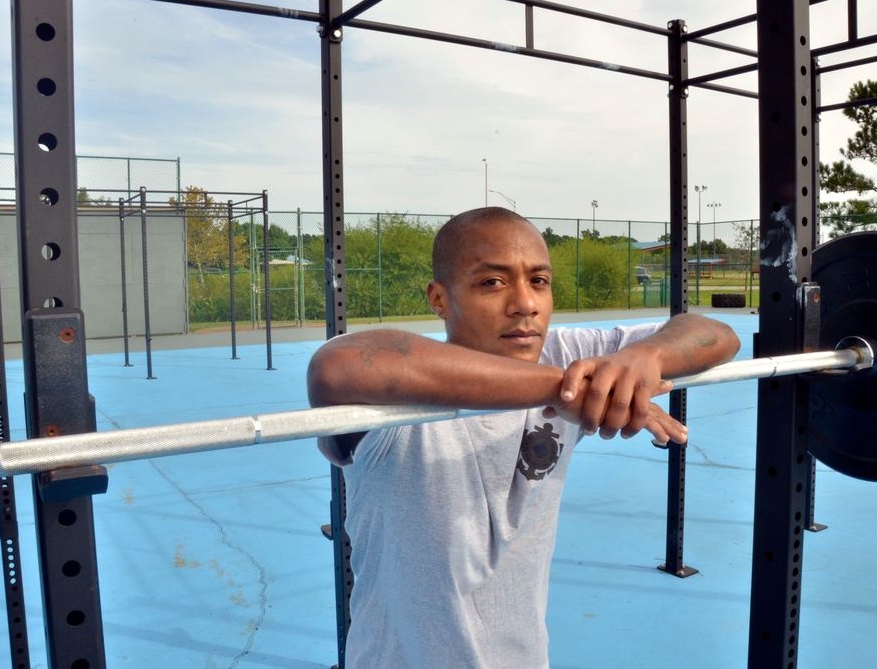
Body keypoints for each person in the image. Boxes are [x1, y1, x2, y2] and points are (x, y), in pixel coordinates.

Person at [308, 206, 740, 668]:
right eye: (491, 283)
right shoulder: (404, 387)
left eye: (539, 281)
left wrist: (645, 357)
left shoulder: (565, 354)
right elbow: (338, 365)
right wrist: (565, 389)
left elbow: (717, 334)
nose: (525, 303)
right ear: (438, 298)